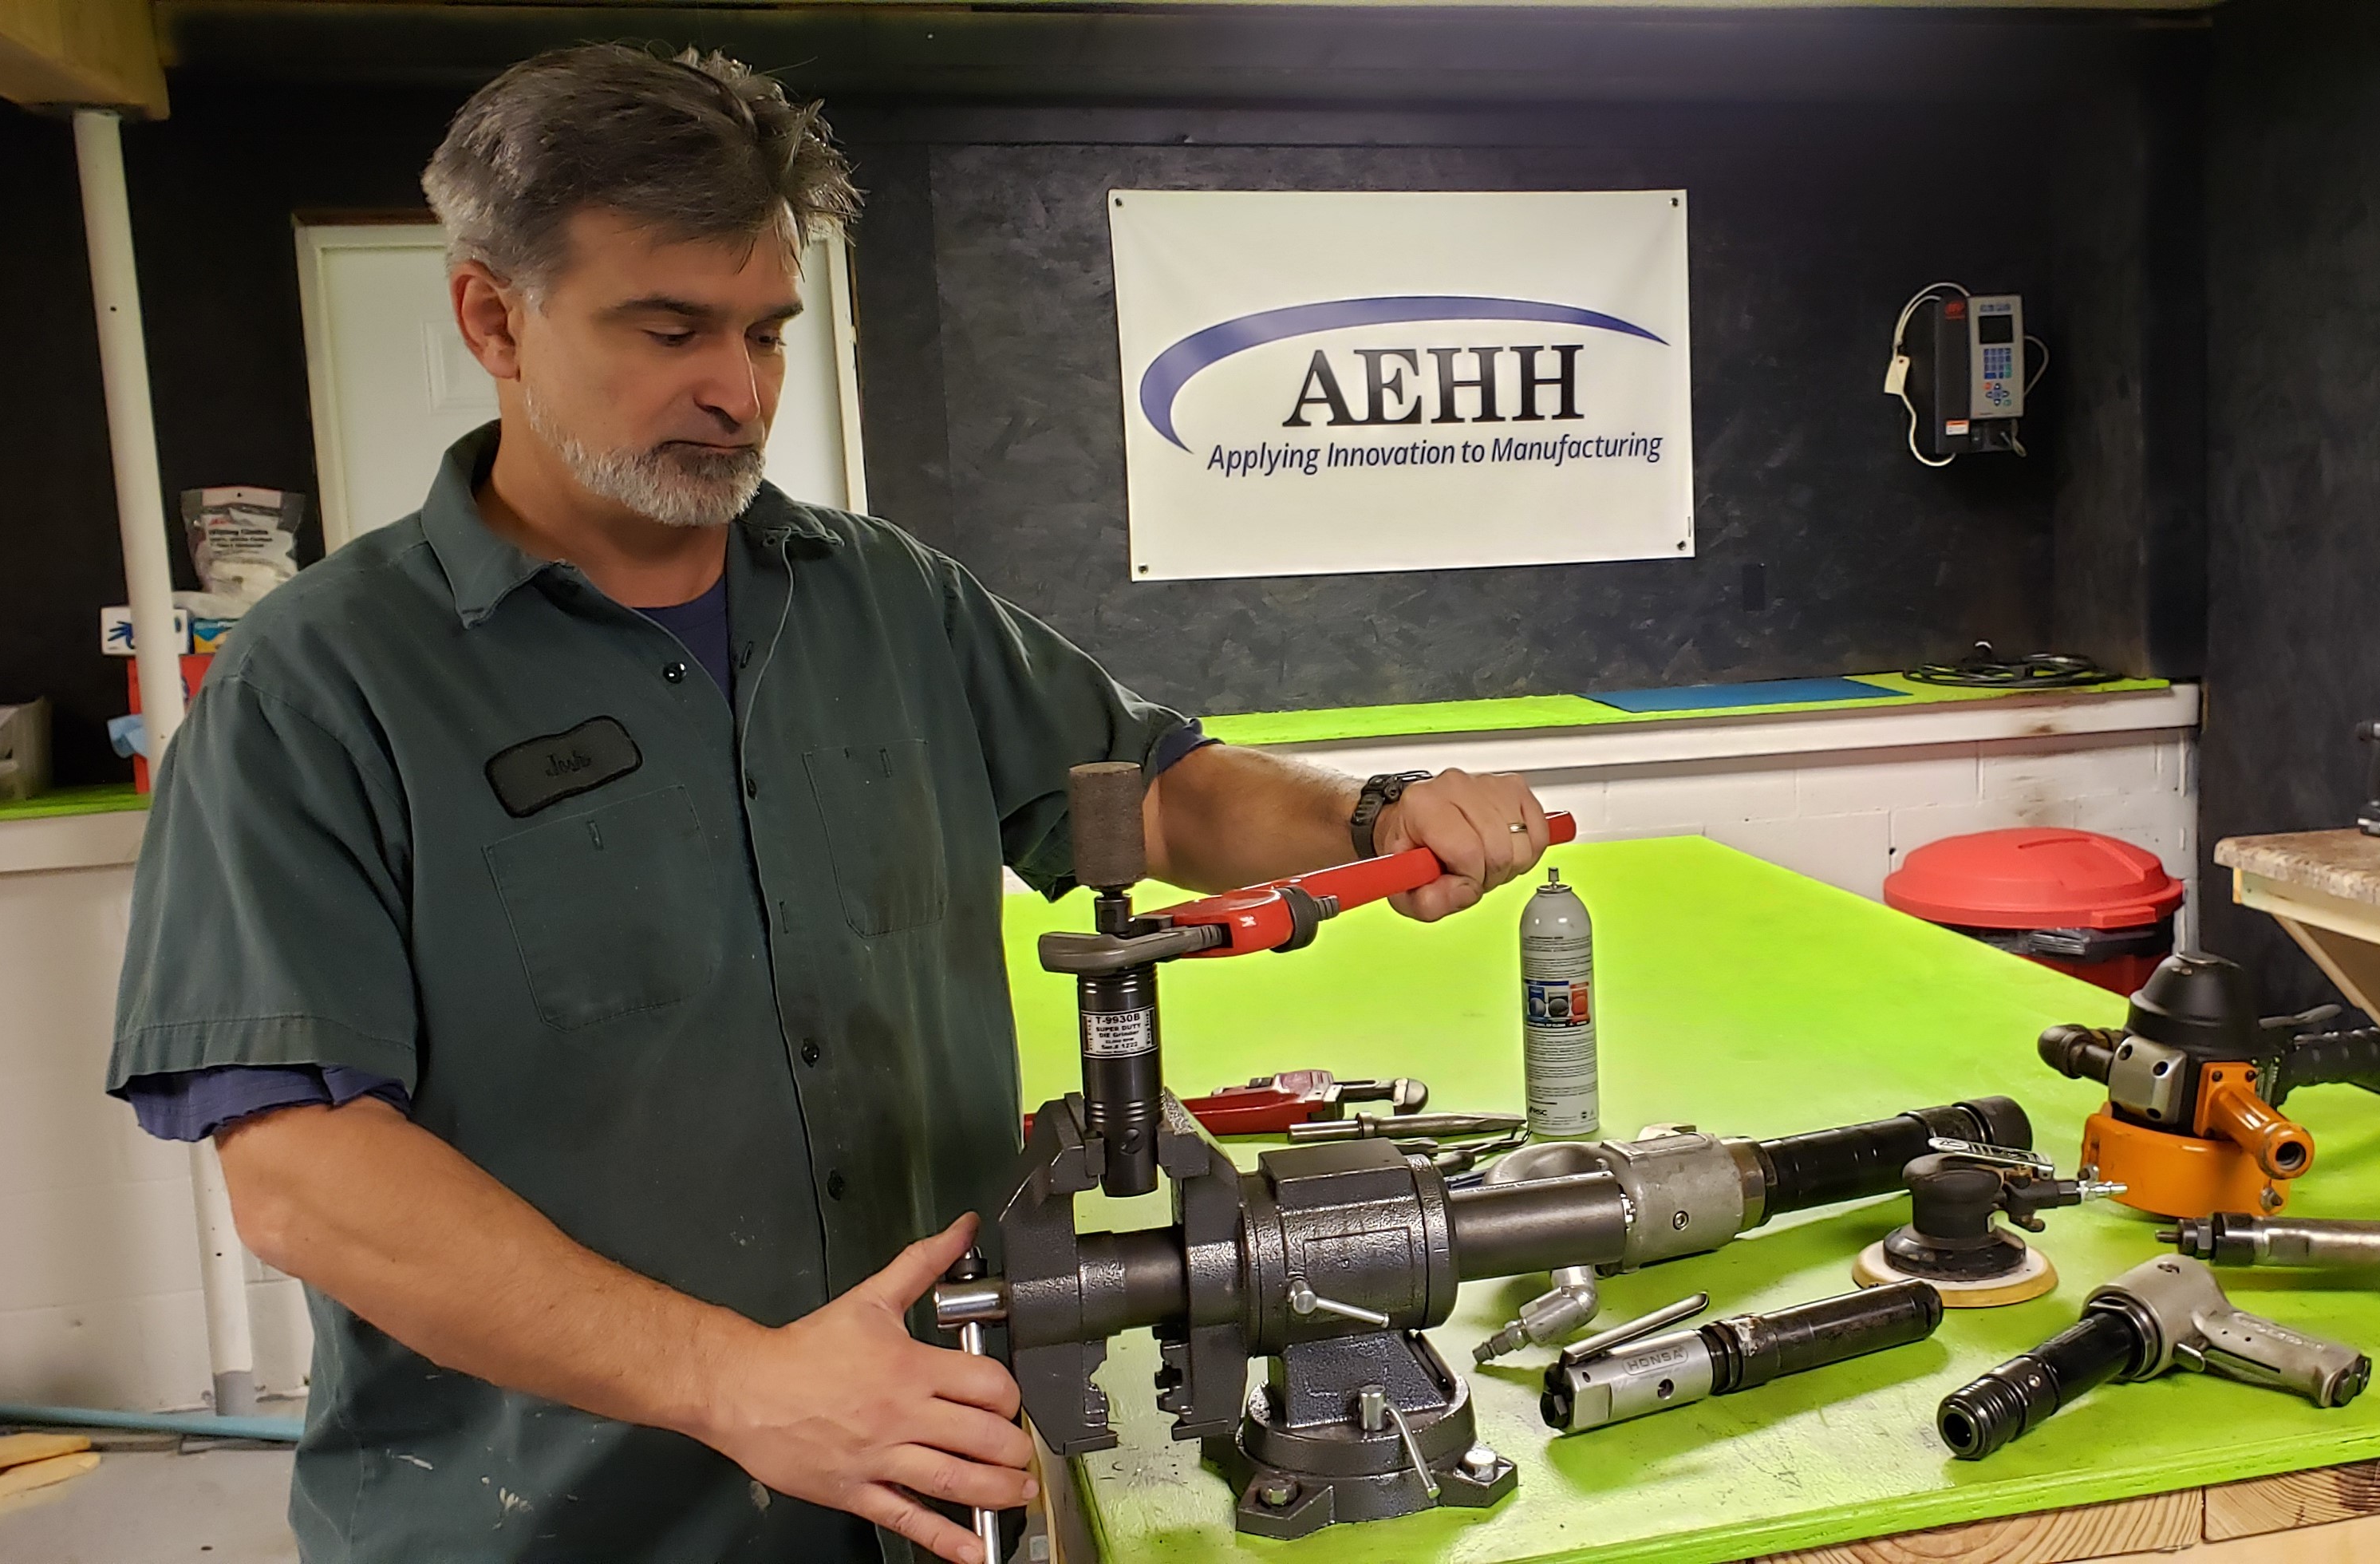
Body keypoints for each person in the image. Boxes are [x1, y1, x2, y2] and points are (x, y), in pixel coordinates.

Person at [105, 44, 1550, 1564]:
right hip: (555, 1524)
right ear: (493, 316)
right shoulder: (315, 691)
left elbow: (1160, 790)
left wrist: (1377, 816)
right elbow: (304, 1176)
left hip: (944, 1473)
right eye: (668, 330)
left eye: (766, 334)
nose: (737, 392)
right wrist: (739, 1383)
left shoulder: (886, 601)